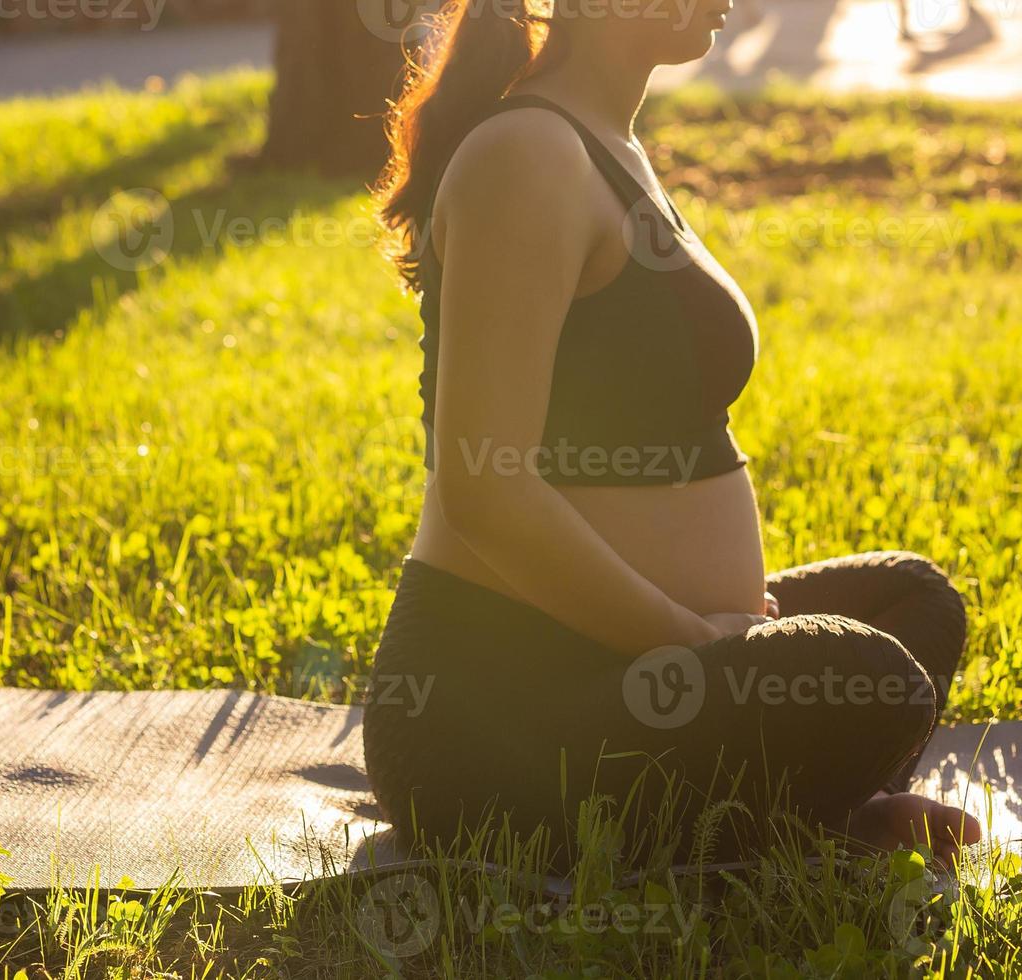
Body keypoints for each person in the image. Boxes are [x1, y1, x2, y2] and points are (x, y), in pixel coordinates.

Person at [363, 0, 981, 871]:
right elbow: (482, 488)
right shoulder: (526, 154)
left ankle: (823, 810)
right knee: (870, 678)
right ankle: (815, 815)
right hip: (497, 709)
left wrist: (708, 633)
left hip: (636, 662)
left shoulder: (609, 146)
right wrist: (696, 645)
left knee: (914, 603)